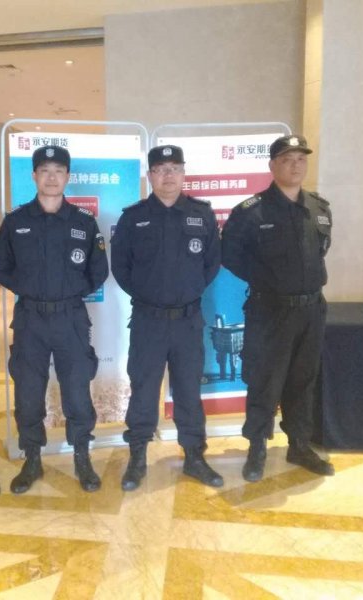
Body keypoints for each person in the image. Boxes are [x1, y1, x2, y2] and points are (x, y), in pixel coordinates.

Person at [221, 134, 335, 483]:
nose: (295, 166)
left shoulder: (319, 208)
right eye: (287, 159)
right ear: (272, 166)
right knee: (264, 381)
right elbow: (230, 255)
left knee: (303, 380)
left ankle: (299, 445)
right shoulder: (251, 212)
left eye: (301, 159)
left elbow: (321, 251)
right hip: (270, 311)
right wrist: (268, 280)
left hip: (311, 310)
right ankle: (257, 447)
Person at [0, 145, 108, 494]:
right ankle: (32, 458)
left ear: (68, 176)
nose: (52, 177)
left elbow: (98, 270)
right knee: (28, 392)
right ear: (34, 176)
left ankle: (82, 457)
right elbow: (0, 266)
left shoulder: (83, 222)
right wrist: (30, 290)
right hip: (30, 319)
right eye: (44, 170)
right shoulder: (16, 222)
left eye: (58, 171)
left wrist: (70, 293)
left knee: (77, 390)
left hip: (70, 318)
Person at [111, 144, 224, 491]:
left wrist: (187, 292)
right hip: (149, 321)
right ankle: (137, 457)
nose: (168, 175)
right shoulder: (133, 218)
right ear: (150, 176)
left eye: (174, 168)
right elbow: (121, 268)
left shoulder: (202, 215)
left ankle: (194, 456)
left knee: (189, 390)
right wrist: (150, 296)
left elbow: (211, 263)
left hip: (188, 321)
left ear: (184, 173)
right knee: (143, 389)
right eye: (160, 169)